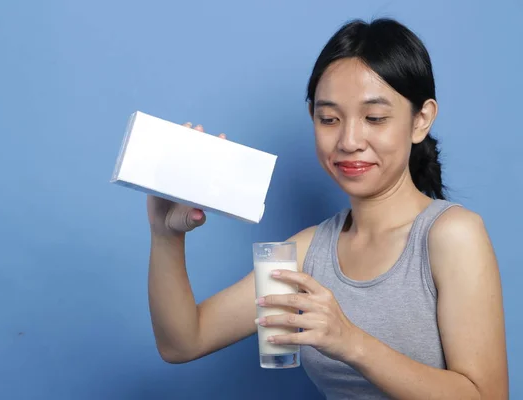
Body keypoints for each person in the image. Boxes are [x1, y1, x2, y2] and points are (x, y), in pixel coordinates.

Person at [145, 18, 509, 399]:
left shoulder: (452, 234)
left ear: (421, 120)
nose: (349, 140)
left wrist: (351, 341)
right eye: (329, 119)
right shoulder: (308, 251)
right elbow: (183, 342)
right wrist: (165, 233)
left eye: (374, 118)